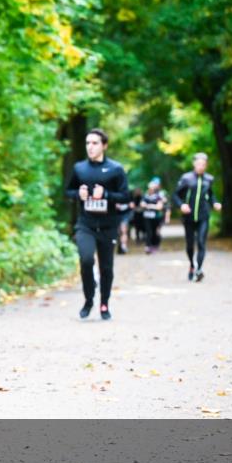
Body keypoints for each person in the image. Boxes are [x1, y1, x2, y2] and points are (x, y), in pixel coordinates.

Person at [64, 129, 130, 320]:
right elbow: (67, 191)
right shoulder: (79, 169)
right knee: (86, 260)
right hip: (86, 224)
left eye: (94, 143)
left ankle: (104, 304)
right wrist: (79, 194)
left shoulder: (115, 169)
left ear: (104, 146)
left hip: (108, 226)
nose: (90, 147)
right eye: (87, 143)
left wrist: (107, 195)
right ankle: (88, 300)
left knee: (106, 268)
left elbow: (125, 196)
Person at [173, 153, 222, 281]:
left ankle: (199, 269)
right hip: (188, 217)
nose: (201, 166)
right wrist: (181, 205)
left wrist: (215, 203)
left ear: (206, 165)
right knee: (190, 245)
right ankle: (192, 265)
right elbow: (176, 195)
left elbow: (211, 195)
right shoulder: (186, 178)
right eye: (199, 164)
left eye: (203, 164)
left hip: (203, 216)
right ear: (194, 164)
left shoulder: (209, 179)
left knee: (201, 242)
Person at [140, 177, 169, 253]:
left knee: (156, 231)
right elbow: (142, 204)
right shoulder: (145, 195)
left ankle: (155, 245)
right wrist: (151, 206)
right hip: (147, 216)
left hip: (157, 216)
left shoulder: (160, 194)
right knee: (148, 231)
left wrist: (149, 206)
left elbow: (161, 206)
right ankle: (148, 246)